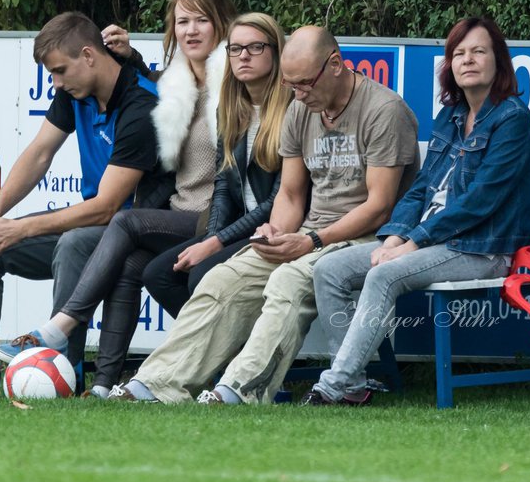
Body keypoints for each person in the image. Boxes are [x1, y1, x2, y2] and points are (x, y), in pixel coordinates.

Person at [112, 25, 419, 404]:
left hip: (368, 240)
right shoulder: (300, 109)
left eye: (305, 83)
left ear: (336, 64)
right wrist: (277, 233)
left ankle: (242, 388)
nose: (298, 94)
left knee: (287, 282)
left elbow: (379, 206)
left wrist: (310, 240)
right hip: (310, 233)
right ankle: (157, 383)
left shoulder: (383, 110)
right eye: (291, 85)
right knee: (223, 279)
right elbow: (290, 194)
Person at [0, 11, 294, 399]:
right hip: (197, 217)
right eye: (181, 21)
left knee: (124, 225)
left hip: (230, 223)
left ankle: (58, 330)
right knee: (141, 267)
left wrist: (216, 239)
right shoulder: (199, 94)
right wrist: (131, 58)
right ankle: (103, 386)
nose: (190, 30)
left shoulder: (256, 98)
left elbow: (278, 197)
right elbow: (222, 178)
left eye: (200, 20)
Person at [0, 11, 168, 397]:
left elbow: (106, 208)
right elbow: (39, 153)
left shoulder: (141, 105)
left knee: (73, 243)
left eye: (59, 71)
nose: (55, 82)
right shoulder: (77, 93)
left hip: (135, 231)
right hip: (98, 225)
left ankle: (63, 376)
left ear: (89, 56)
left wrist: (20, 227)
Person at [305, 17, 530, 405]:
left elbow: (480, 202)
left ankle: (334, 387)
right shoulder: (449, 117)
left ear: (498, 61)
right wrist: (396, 235)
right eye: (458, 54)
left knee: (383, 275)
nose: (468, 60)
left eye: (479, 51)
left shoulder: (512, 120)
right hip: (432, 241)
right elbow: (420, 188)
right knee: (329, 269)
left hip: (481, 248)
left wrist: (410, 244)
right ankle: (352, 383)